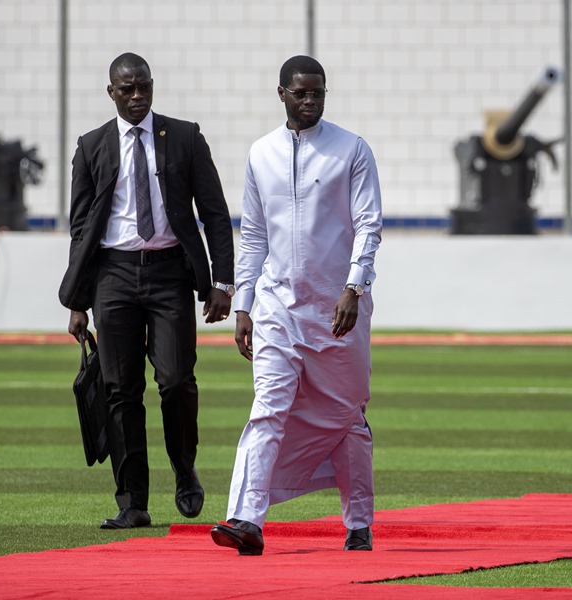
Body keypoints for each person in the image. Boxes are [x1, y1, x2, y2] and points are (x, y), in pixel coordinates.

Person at [210, 55, 382, 555]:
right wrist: (244, 303)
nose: (310, 101)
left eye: (318, 94)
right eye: (301, 93)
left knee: (347, 415)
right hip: (275, 307)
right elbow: (256, 235)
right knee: (267, 409)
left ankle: (359, 523)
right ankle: (246, 520)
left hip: (338, 311)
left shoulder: (351, 149)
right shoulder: (260, 152)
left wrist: (355, 288)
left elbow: (368, 224)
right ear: (281, 93)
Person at [59, 52, 235, 530]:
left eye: (144, 87)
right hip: (112, 276)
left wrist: (222, 282)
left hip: (170, 272)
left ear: (152, 87)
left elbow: (215, 214)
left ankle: (184, 469)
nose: (137, 97)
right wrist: (78, 300)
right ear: (111, 92)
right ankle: (132, 501)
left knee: (177, 380)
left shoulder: (184, 137)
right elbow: (81, 230)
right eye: (127, 89)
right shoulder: (91, 146)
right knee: (120, 390)